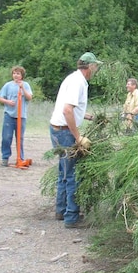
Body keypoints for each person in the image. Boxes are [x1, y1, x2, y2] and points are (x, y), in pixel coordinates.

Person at [49, 52, 101, 228]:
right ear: (90, 67)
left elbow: (72, 108)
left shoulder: (73, 78)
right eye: (96, 66)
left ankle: (60, 210)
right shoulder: (78, 82)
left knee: (64, 171)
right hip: (65, 133)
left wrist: (88, 117)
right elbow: (67, 110)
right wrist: (78, 137)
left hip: (57, 129)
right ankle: (71, 217)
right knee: (72, 174)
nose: (96, 69)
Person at [0, 66, 33, 166]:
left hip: (21, 116)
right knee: (6, 137)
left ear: (22, 75)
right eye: (14, 73)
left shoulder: (26, 85)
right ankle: (5, 157)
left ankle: (20, 158)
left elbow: (29, 97)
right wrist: (7, 101)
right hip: (9, 115)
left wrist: (23, 88)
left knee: (19, 138)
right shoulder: (8, 85)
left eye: (18, 73)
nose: (16, 75)